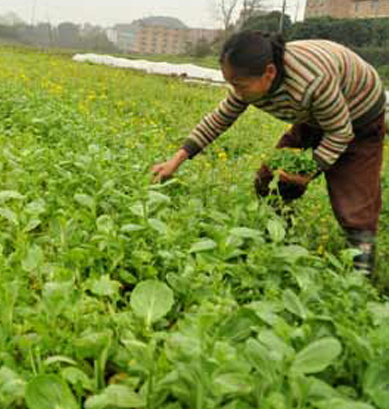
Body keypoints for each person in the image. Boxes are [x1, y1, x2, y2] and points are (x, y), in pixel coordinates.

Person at [152, 30, 386, 278]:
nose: (236, 92)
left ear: (270, 73)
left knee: (354, 195)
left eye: (239, 85)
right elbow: (219, 118)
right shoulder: (251, 82)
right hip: (315, 115)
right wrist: (176, 160)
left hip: (360, 113)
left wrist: (311, 169)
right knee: (270, 179)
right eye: (231, 84)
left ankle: (361, 275)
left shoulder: (312, 82)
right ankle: (281, 238)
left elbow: (340, 132)